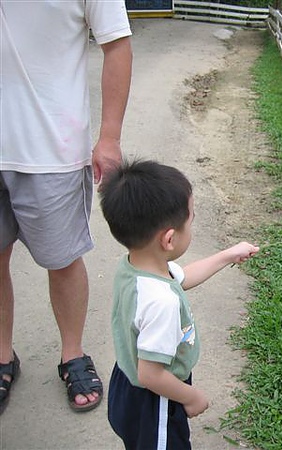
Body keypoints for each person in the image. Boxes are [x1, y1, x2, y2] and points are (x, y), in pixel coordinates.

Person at [0, 3, 133, 413]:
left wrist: (109, 137)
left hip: (51, 147)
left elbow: (117, 44)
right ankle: (2, 354)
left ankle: (72, 354)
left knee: (62, 260)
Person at [99, 159, 259, 449]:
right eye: (192, 219)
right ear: (169, 239)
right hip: (155, 398)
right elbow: (151, 374)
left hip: (126, 380)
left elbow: (183, 277)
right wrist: (190, 396)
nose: (192, 224)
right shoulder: (162, 302)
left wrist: (227, 255)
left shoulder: (135, 267)